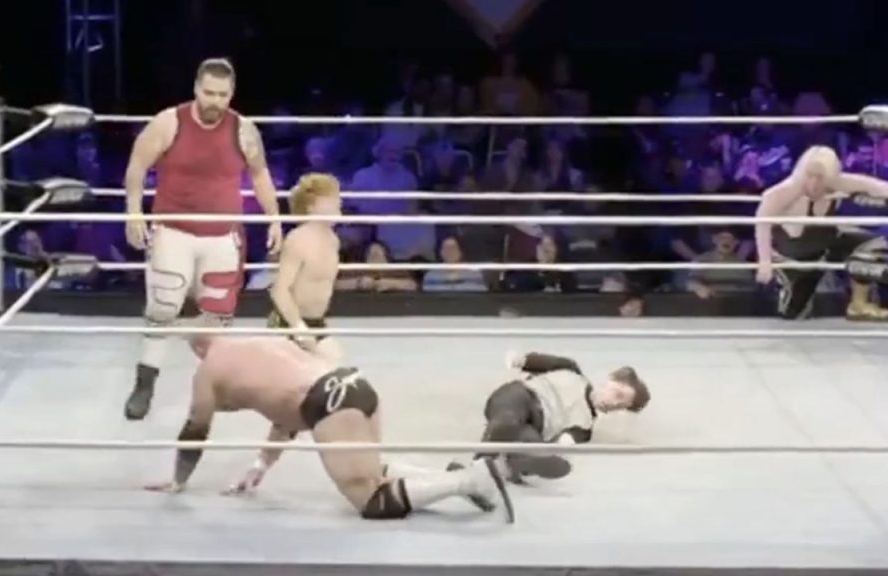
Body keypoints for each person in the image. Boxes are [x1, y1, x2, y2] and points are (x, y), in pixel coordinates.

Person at [144, 334, 515, 523]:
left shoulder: (209, 370)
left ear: (196, 348)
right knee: (371, 471)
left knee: (371, 501)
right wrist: (262, 464)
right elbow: (284, 411)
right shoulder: (264, 344)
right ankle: (452, 478)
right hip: (354, 384)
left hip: (329, 403)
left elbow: (195, 431)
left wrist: (178, 481)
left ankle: (468, 481)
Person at [122, 58, 283, 420]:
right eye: (209, 93)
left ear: (232, 94)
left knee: (217, 316)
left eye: (222, 95)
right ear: (196, 88)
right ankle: (144, 384)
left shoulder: (244, 130)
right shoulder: (169, 122)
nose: (215, 101)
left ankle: (217, 387)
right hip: (173, 229)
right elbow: (137, 166)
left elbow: (260, 175)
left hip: (223, 235)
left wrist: (275, 219)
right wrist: (134, 211)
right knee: (163, 307)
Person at [754, 145, 888, 321]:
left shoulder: (837, 183)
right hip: (794, 259)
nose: (813, 183)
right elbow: (762, 221)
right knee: (793, 316)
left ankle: (858, 304)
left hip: (825, 247)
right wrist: (764, 261)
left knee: (872, 244)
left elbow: (873, 185)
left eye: (820, 177)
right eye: (809, 175)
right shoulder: (784, 191)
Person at [464, 351, 650, 484]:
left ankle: (517, 462)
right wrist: (519, 359)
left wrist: (559, 449)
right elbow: (532, 360)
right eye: (617, 394)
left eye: (620, 406)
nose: (613, 403)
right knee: (509, 419)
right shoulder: (571, 370)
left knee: (530, 442)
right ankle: (477, 469)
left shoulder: (584, 428)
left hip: (534, 426)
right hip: (521, 397)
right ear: (611, 379)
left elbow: (565, 441)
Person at [266, 173, 344, 362]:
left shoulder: (333, 240)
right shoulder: (298, 240)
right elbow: (280, 290)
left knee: (333, 365)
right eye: (330, 199)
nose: (338, 203)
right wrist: (298, 328)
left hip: (317, 321)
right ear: (311, 206)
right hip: (289, 322)